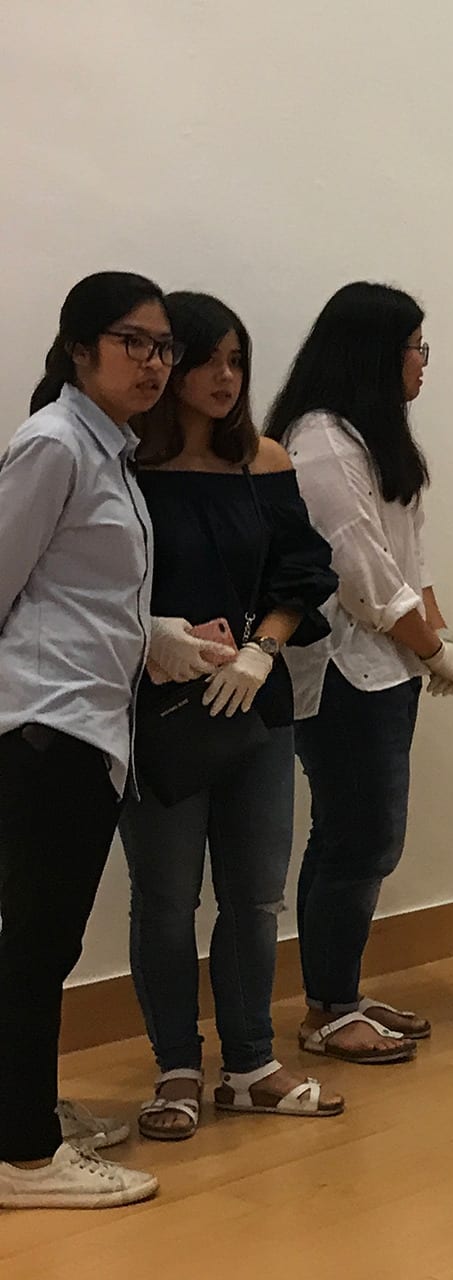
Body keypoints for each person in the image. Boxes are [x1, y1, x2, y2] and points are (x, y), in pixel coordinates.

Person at [0, 273, 232, 1209]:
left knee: (41, 940)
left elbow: (84, 596)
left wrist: (160, 637)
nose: (154, 362)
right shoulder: (55, 444)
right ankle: (23, 1159)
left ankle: (22, 1112)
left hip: (88, 726)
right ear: (79, 350)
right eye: (132, 342)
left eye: (162, 345)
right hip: (45, 727)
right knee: (38, 944)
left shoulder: (110, 452)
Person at [119, 292, 343, 1140]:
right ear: (167, 365)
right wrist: (158, 638)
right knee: (165, 897)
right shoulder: (127, 464)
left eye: (237, 361)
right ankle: (177, 1065)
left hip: (257, 702)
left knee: (253, 896)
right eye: (206, 359)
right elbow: (95, 582)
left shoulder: (266, 459)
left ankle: (249, 1061)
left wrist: (264, 646)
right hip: (162, 709)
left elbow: (302, 568)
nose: (224, 378)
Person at [265, 282, 453, 1067]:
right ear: (378, 353)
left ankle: (335, 992)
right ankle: (329, 1008)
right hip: (346, 669)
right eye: (416, 347)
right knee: (363, 839)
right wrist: (430, 649)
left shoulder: (369, 433)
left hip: (385, 668)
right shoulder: (319, 438)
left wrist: (435, 636)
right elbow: (356, 570)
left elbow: (403, 559)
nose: (423, 363)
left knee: (352, 835)